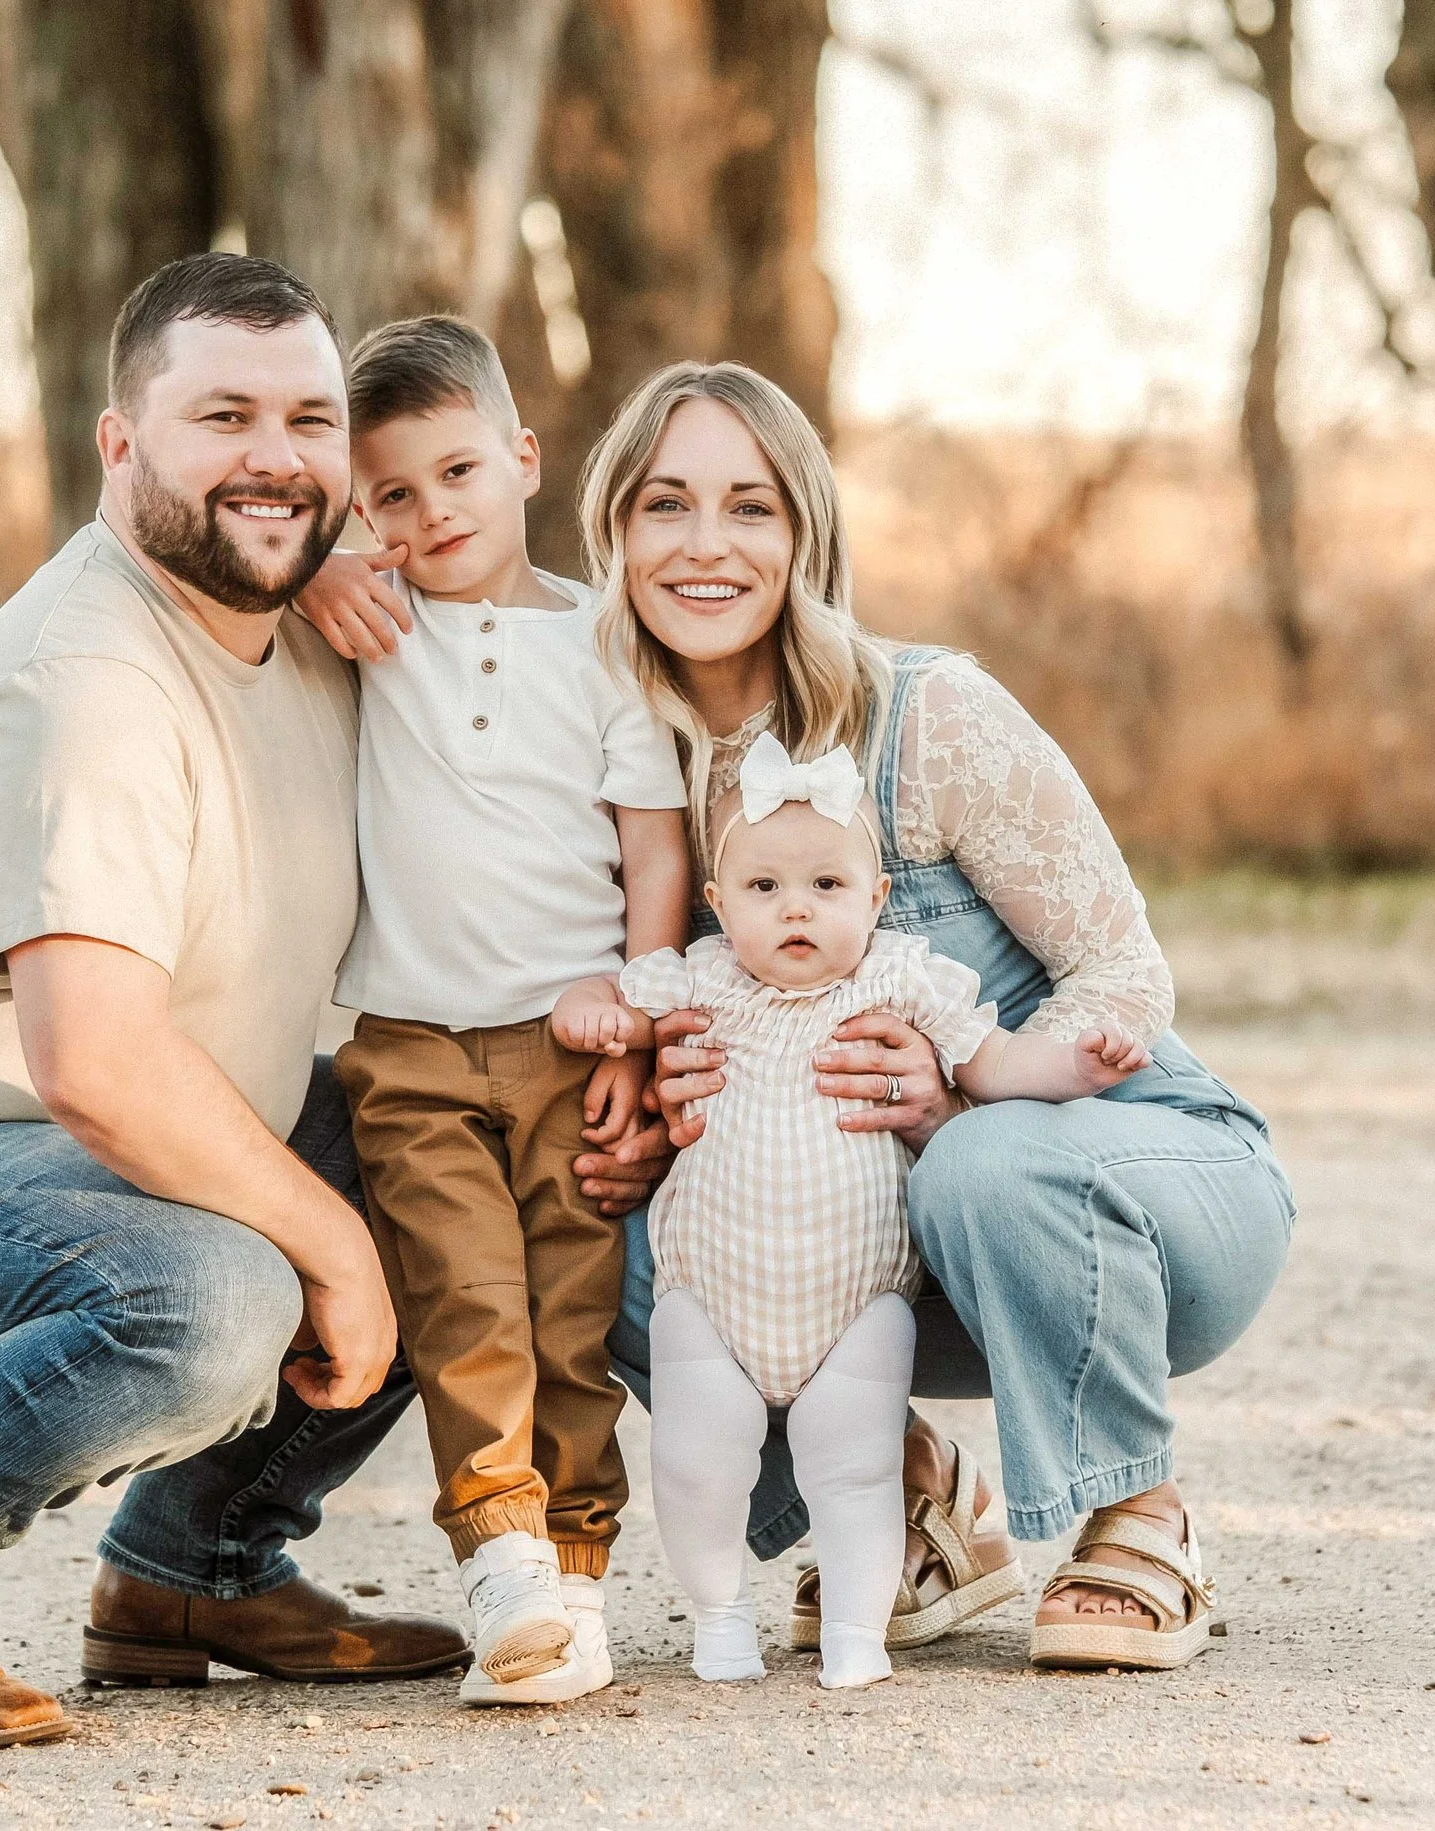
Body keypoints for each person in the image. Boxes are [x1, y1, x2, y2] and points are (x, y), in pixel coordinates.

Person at [0, 254, 474, 1750]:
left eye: (311, 420)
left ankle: (193, 1574)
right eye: (222, 415)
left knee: (458, 1146)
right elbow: (101, 1067)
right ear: (121, 445)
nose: (276, 456)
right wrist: (338, 1248)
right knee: (210, 1297)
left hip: (69, 1165)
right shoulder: (85, 683)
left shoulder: (294, 619)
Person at [583, 359, 1297, 1674]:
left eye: (750, 506)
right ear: (611, 532)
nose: (702, 544)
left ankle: (1139, 1510)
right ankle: (912, 1499)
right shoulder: (626, 771)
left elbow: (1126, 980)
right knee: (591, 1214)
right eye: (663, 504)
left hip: (1127, 1195)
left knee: (983, 1157)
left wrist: (965, 1091)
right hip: (882, 1254)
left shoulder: (926, 716)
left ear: (809, 534)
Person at [563, 733, 1146, 1687]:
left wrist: (1074, 1063)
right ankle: (718, 1620)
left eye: (828, 886)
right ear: (717, 904)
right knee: (696, 1465)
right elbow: (623, 1004)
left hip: (858, 1304)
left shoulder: (898, 978)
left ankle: (856, 1637)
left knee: (857, 1471)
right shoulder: (701, 976)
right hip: (708, 1299)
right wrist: (591, 1002)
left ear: (875, 901)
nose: (797, 907)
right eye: (764, 889)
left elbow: (990, 1065)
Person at [302, 315, 686, 1706]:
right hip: (407, 1042)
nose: (430, 512)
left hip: (568, 1044)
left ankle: (575, 1579)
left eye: (458, 473)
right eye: (390, 493)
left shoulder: (604, 639)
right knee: (466, 1305)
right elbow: (248, 590)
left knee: (573, 1320)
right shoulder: (366, 623)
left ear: (523, 459)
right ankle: (502, 1565)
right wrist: (316, 576)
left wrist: (642, 1022)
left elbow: (654, 850)